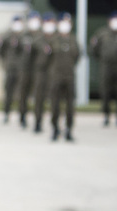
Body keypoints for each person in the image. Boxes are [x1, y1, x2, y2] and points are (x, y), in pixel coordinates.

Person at [44, 13, 80, 142]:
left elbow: (77, 56)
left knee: (70, 106)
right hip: (56, 77)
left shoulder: (74, 40)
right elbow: (47, 59)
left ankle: (69, 129)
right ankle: (55, 129)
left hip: (69, 77)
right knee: (55, 105)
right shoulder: (53, 41)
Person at [89, 11, 117, 127]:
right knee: (105, 91)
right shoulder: (102, 33)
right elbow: (93, 49)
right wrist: (101, 59)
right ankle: (106, 115)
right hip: (106, 66)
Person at [31, 13, 57, 134]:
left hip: (54, 73)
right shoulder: (37, 40)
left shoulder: (58, 39)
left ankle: (55, 125)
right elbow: (31, 57)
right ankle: (37, 122)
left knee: (55, 99)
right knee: (39, 98)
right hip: (40, 72)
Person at [17, 11, 43, 129]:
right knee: (23, 93)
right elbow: (16, 51)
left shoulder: (42, 36)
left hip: (37, 69)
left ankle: (38, 120)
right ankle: (22, 115)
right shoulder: (24, 36)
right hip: (25, 69)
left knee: (38, 95)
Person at [0, 15, 25, 124]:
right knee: (8, 91)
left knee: (21, 93)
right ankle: (6, 113)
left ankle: (22, 115)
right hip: (9, 68)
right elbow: (1, 50)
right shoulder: (7, 37)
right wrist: (5, 61)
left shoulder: (24, 37)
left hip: (21, 68)